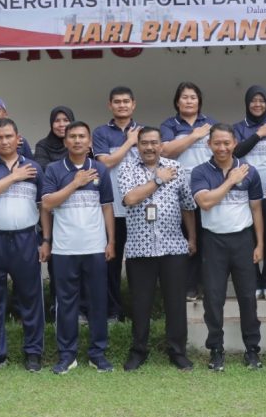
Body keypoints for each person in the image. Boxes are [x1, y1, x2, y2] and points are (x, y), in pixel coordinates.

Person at [118, 127, 198, 371]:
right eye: (144, 143)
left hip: (173, 246)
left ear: (162, 145)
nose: (150, 147)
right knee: (141, 303)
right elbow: (130, 199)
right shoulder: (127, 169)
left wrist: (192, 237)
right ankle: (138, 351)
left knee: (175, 303)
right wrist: (158, 179)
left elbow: (187, 205)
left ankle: (177, 351)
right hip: (139, 249)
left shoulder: (177, 168)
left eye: (154, 142)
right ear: (137, 146)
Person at [40, 121, 116, 375]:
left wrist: (111, 241)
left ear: (90, 142)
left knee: (97, 302)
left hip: (94, 247)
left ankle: (97, 353)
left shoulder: (100, 169)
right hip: (64, 249)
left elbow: (107, 206)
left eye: (82, 136)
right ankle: (67, 355)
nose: (77, 141)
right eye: (72, 136)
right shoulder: (53, 169)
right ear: (65, 141)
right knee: (66, 302)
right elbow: (48, 203)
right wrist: (75, 183)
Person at [0, 118, 45, 373]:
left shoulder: (33, 167)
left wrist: (45, 239)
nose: (4, 141)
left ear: (18, 138)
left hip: (25, 239)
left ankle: (33, 352)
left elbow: (43, 204)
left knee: (31, 297)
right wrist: (14, 177)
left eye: (8, 136)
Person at [190, 124, 264, 371]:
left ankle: (252, 349)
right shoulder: (200, 172)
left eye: (227, 143)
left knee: (247, 298)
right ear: (208, 145)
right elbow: (206, 202)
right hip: (213, 242)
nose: (222, 148)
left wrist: (260, 243)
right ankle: (216, 350)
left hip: (243, 241)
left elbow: (256, 209)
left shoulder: (249, 171)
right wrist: (231, 180)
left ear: (234, 143)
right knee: (213, 298)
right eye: (217, 143)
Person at [161, 82, 216, 302]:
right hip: (179, 189)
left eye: (193, 97)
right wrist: (194, 136)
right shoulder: (169, 125)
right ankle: (189, 287)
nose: (189, 101)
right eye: (184, 97)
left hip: (207, 188)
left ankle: (209, 286)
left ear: (199, 101)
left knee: (208, 238)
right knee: (186, 239)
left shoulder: (210, 124)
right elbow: (166, 151)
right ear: (177, 101)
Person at [92, 86, 141, 322]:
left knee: (139, 264)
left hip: (139, 209)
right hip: (112, 209)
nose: (122, 105)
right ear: (110, 106)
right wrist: (130, 142)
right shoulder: (101, 133)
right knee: (111, 262)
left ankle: (138, 312)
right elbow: (105, 164)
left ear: (134, 104)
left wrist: (136, 138)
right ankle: (113, 311)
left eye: (126, 101)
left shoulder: (144, 132)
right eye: (117, 102)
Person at [232, 85, 266, 302]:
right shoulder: (238, 127)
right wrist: (258, 135)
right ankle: (253, 282)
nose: (257, 104)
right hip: (245, 193)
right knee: (248, 239)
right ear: (247, 103)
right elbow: (236, 151)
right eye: (253, 100)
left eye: (261, 100)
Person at [32, 105, 76, 322]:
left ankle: (81, 308)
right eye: (57, 120)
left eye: (66, 120)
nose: (62, 125)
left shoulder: (82, 144)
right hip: (52, 211)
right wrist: (73, 174)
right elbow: (44, 170)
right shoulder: (43, 145)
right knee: (57, 262)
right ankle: (56, 306)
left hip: (79, 212)